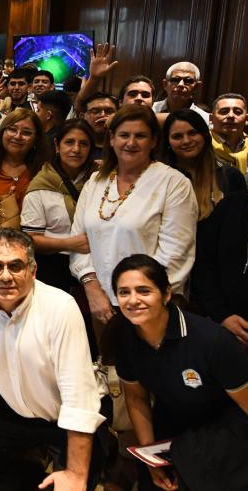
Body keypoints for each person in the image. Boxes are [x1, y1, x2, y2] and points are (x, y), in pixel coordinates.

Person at [0, 229, 106, 489]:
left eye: (15, 266)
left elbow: (79, 398)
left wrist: (76, 473)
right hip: (12, 411)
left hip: (60, 418)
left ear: (33, 270)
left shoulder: (60, 307)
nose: (6, 276)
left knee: (78, 482)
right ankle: (31, 470)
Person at [113, 254, 248, 490]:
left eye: (144, 291)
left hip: (232, 428)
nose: (133, 300)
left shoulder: (211, 339)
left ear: (166, 294)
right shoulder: (124, 336)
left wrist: (213, 461)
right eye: (124, 292)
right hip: (176, 425)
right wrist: (150, 457)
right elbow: (136, 398)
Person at [69, 104, 198, 354]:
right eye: (124, 135)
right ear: (112, 139)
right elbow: (79, 242)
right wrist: (92, 287)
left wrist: (134, 298)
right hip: (101, 303)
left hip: (150, 306)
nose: (131, 143)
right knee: (111, 377)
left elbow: (176, 252)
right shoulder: (96, 181)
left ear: (154, 141)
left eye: (140, 136)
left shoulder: (173, 183)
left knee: (150, 381)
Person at [192, 130, 248, 463]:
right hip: (221, 334)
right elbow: (204, 264)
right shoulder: (233, 204)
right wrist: (222, 316)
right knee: (218, 430)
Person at [21, 119, 96, 290]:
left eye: (83, 144)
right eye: (69, 142)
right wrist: (71, 244)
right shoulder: (41, 185)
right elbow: (30, 239)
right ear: (57, 145)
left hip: (97, 263)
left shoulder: (101, 180)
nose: (76, 149)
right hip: (54, 268)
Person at [163, 109, 246, 221]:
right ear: (168, 142)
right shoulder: (162, 178)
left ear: (205, 135)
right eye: (177, 136)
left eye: (192, 133)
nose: (186, 141)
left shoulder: (229, 177)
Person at [0, 108, 50, 227]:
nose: (17, 136)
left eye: (26, 132)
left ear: (36, 138)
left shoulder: (45, 170)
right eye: (12, 129)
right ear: (2, 132)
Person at [210, 93, 248, 175]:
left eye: (237, 112)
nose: (231, 115)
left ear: (247, 119)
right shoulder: (201, 148)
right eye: (224, 112)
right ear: (211, 119)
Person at [81, 92, 118, 160]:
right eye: (95, 111)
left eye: (109, 111)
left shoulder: (123, 146)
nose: (102, 115)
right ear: (82, 116)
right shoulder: (77, 146)